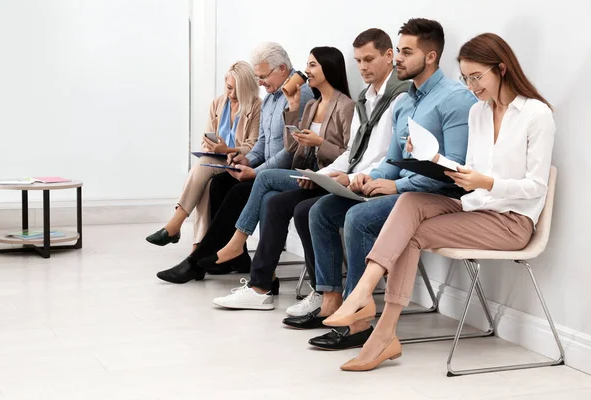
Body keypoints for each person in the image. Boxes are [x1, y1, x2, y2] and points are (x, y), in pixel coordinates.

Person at [324, 32, 555, 371]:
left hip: (511, 221)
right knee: (411, 202)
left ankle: (381, 328)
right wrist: (436, 161)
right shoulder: (479, 112)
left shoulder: (536, 114)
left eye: (477, 77)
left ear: (502, 69)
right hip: (476, 205)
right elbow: (472, 170)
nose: (471, 85)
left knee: (412, 231)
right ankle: (364, 296)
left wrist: (485, 182)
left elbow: (536, 187)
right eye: (465, 78)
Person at [306, 18, 477, 351]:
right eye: (398, 50)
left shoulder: (455, 99)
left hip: (438, 196)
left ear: (430, 57)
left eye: (406, 52)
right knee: (324, 210)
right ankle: (332, 300)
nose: (397, 58)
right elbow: (392, 160)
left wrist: (397, 187)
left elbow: (453, 170)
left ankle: (359, 322)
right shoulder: (406, 102)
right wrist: (373, 178)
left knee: (359, 218)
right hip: (404, 190)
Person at [201, 46, 355, 310]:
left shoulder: (346, 106)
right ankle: (260, 287)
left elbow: (350, 156)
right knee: (271, 200)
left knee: (265, 180)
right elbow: (295, 150)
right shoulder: (310, 104)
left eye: (313, 65)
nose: (306, 71)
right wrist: (293, 111)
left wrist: (319, 142)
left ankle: (238, 242)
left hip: (330, 178)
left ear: (329, 69)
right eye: (307, 64)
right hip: (307, 175)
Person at [277, 28, 411, 319]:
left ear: (389, 55)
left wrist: (350, 178)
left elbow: (392, 158)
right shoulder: (366, 98)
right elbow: (351, 152)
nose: (362, 67)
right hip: (356, 180)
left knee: (335, 214)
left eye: (368, 59)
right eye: (358, 60)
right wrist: (322, 174)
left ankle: (356, 307)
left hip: (378, 184)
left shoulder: (402, 98)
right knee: (317, 211)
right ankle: (330, 297)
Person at [156, 42, 314, 283]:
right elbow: (262, 142)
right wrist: (245, 159)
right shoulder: (272, 97)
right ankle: (235, 258)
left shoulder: (298, 95)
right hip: (266, 169)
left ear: (282, 69)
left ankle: (195, 263)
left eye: (263, 76)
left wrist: (255, 172)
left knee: (238, 191)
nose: (259, 83)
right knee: (220, 183)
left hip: (284, 172)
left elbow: (290, 152)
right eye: (258, 77)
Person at [145, 61, 261, 247]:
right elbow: (207, 138)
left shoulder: (256, 106)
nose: (231, 94)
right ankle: (197, 249)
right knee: (206, 185)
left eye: (236, 90)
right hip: (215, 162)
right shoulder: (217, 104)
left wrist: (226, 150)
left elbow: (254, 147)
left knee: (202, 166)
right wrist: (210, 147)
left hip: (239, 162)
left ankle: (175, 226)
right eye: (229, 88)